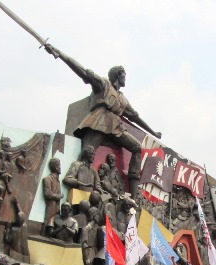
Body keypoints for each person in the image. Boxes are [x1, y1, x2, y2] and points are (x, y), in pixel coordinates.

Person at [44, 43, 162, 200]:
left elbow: (135, 116)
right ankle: (78, 192)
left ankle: (133, 197)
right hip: (99, 122)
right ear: (118, 75)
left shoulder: (122, 99)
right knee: (86, 154)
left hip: (116, 128)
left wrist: (153, 132)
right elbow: (84, 72)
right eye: (124, 74)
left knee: (136, 148)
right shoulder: (104, 84)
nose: (125, 77)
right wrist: (59, 53)